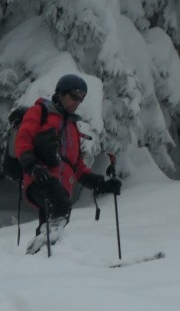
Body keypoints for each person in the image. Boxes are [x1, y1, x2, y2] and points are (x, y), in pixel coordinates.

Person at [14, 74, 121, 245]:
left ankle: (37, 261)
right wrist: (32, 166)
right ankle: (44, 248)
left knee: (52, 221)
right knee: (60, 209)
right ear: (61, 93)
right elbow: (23, 139)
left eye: (82, 98)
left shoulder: (72, 128)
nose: (78, 102)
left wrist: (101, 183)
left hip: (60, 188)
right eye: (74, 96)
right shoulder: (40, 112)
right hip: (40, 178)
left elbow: (76, 166)